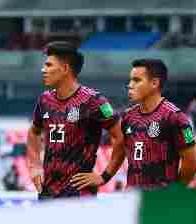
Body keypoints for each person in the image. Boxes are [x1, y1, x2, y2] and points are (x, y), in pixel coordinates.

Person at [26, 42, 123, 199]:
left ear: (65, 69)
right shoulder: (44, 100)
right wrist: (35, 166)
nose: (43, 70)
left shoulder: (94, 101)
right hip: (47, 193)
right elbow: (34, 132)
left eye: (49, 65)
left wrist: (104, 176)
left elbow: (121, 136)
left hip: (79, 194)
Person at [116, 59, 196, 189]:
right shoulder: (127, 116)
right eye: (130, 80)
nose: (130, 85)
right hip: (133, 198)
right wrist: (104, 176)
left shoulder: (175, 117)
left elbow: (191, 165)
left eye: (136, 80)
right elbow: (121, 151)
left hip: (160, 200)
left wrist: (174, 191)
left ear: (154, 83)